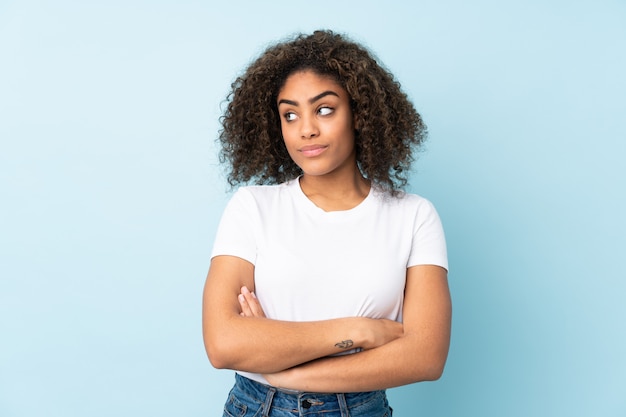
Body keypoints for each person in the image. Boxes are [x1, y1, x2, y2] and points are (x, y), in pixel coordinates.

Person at [203, 29, 451, 416]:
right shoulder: (253, 207)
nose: (306, 129)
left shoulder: (414, 216)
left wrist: (282, 365)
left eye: (324, 109)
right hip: (257, 408)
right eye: (290, 114)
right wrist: (360, 331)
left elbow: (425, 357)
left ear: (359, 112)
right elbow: (223, 344)